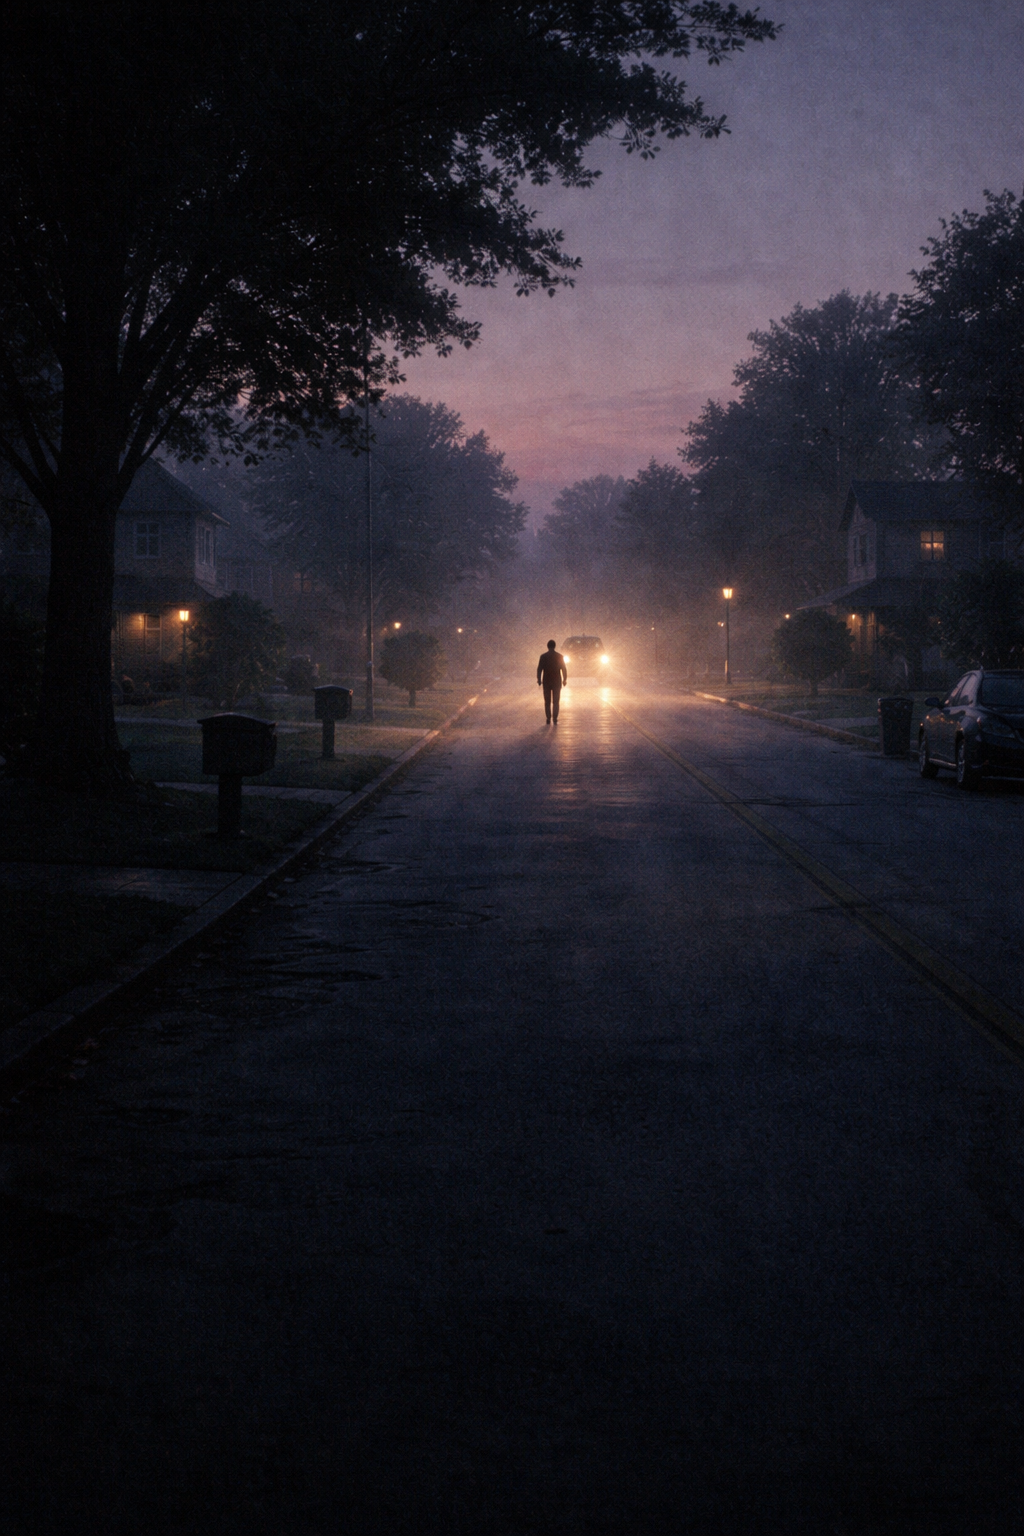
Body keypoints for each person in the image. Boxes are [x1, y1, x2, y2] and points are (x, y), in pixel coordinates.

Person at [537, 639, 567, 723]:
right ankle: (555, 718)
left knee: (547, 701)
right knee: (556, 701)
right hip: (557, 681)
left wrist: (539, 679)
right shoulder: (559, 656)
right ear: (555, 646)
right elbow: (564, 669)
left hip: (546, 681)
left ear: (548, 646)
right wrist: (564, 679)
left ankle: (548, 718)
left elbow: (539, 669)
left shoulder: (543, 657)